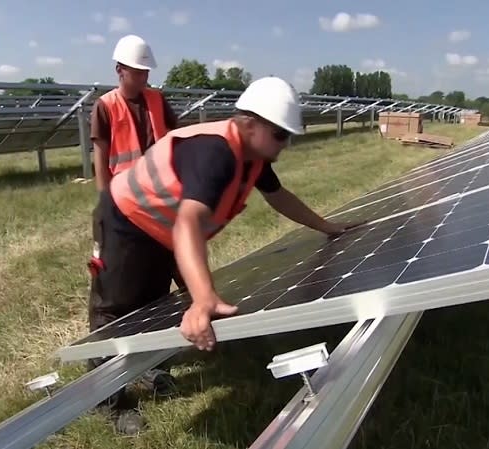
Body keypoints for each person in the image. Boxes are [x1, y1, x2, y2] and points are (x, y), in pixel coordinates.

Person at [90, 76, 364, 432]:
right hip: (126, 222)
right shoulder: (217, 153)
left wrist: (326, 226)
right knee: (118, 309)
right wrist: (203, 300)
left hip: (161, 229)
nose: (286, 142)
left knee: (154, 303)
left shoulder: (252, 155)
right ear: (249, 125)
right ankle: (107, 401)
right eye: (280, 134)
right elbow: (188, 223)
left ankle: (151, 370)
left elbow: (278, 196)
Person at [85, 34, 180, 433]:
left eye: (146, 72)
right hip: (121, 214)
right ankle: (108, 398)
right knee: (112, 302)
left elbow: (175, 145)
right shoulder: (105, 107)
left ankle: (149, 367)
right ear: (119, 70)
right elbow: (102, 162)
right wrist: (108, 213)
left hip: (158, 211)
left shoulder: (160, 103)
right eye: (135, 71)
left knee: (155, 295)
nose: (142, 78)